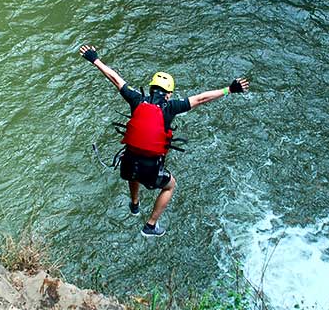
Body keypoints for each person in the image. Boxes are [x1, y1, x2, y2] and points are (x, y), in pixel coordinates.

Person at [79, 44, 249, 237]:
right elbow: (201, 98)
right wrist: (229, 89)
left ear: (151, 90)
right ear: (168, 94)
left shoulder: (136, 99)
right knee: (170, 185)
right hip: (150, 169)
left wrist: (94, 59)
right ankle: (150, 225)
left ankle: (134, 204)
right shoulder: (171, 107)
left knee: (132, 167)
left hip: (126, 165)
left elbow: (115, 79)